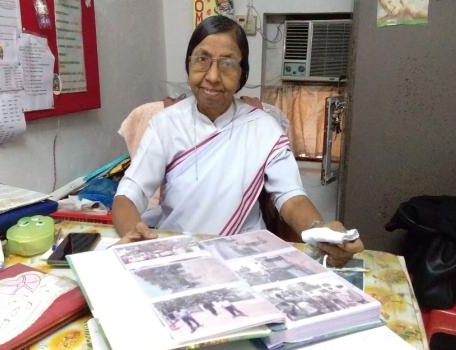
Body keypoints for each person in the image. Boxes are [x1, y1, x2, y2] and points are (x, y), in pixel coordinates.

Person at [112, 15, 363, 267]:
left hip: (245, 256)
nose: (212, 76)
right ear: (188, 64)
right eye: (202, 59)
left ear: (242, 73)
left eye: (227, 63)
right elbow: (129, 194)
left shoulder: (264, 127)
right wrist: (134, 234)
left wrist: (319, 230)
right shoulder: (165, 124)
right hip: (179, 253)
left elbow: (291, 196)